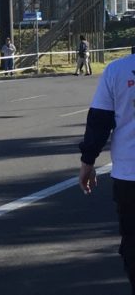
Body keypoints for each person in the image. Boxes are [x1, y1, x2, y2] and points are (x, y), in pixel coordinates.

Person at [78, 52, 135, 293]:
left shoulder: (117, 70)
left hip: (129, 173)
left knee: (132, 240)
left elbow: (100, 120)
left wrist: (87, 161)